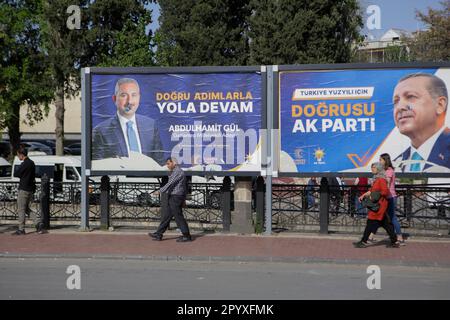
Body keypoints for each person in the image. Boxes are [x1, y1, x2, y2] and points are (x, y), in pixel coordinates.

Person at [92, 77, 165, 165]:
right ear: (115, 99)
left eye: (134, 95)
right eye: (124, 95)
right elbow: (98, 167)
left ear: (139, 98)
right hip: (119, 179)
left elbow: (160, 164)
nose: (129, 101)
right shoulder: (101, 131)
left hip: (148, 179)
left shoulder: (151, 126)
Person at [392, 73, 449, 172]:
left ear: (440, 105)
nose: (400, 107)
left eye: (410, 97)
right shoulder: (395, 165)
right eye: (396, 101)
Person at [353, 162, 399, 248]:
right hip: (378, 205)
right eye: (372, 167)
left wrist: (374, 195)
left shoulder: (381, 180)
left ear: (378, 169)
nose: (372, 169)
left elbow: (385, 191)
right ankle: (394, 241)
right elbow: (372, 190)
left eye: (374, 167)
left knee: (370, 222)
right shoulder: (377, 179)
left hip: (379, 206)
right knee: (386, 224)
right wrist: (363, 195)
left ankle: (363, 241)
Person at [149, 157, 192, 242]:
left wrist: (160, 191)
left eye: (168, 163)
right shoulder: (175, 171)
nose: (167, 165)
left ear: (174, 163)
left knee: (178, 217)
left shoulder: (178, 172)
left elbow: (170, 183)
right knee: (167, 216)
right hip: (174, 196)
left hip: (176, 197)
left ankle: (186, 236)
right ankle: (159, 234)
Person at [369, 153, 405, 243]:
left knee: (392, 217)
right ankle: (371, 236)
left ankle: (399, 236)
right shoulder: (384, 170)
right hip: (383, 197)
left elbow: (387, 184)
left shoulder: (389, 170)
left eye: (381, 159)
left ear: (385, 160)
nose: (379, 161)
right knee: (379, 216)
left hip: (390, 197)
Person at [12, 146, 46, 235]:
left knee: (21, 209)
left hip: (23, 189)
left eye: (18, 155)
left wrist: (21, 172)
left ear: (21, 154)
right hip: (30, 189)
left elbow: (16, 173)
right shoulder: (32, 163)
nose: (18, 157)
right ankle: (38, 223)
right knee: (27, 209)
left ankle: (21, 229)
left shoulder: (24, 164)